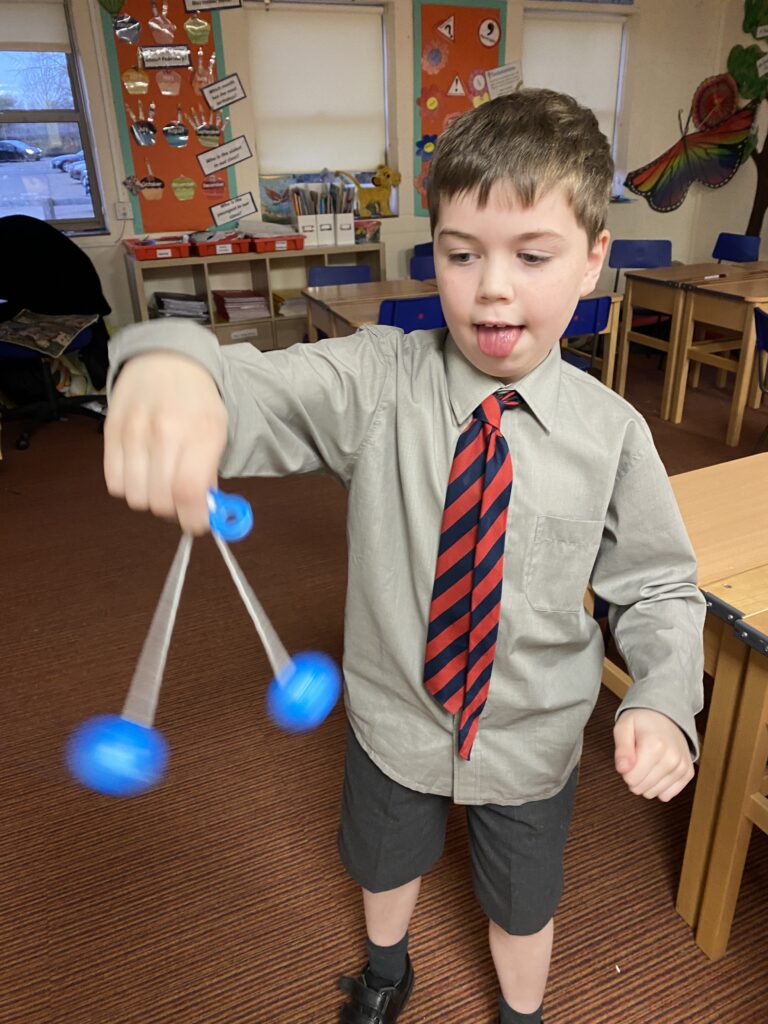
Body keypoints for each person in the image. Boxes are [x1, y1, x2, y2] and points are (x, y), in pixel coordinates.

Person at [103, 89, 704, 1024]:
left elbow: (659, 585)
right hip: (396, 718)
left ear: (594, 262)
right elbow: (253, 386)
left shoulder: (613, 434)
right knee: (381, 864)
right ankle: (386, 974)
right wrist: (174, 366)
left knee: (524, 902)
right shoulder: (379, 376)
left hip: (532, 739)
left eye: (531, 256)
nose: (491, 287)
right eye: (463, 255)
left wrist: (665, 700)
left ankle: (521, 1015)